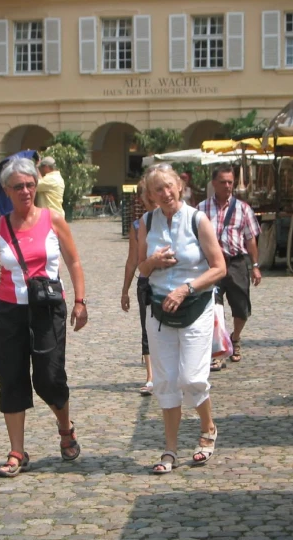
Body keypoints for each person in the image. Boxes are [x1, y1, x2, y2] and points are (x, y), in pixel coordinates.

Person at [0, 157, 88, 478]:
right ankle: (17, 451)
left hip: (47, 308)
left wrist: (80, 301)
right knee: (11, 376)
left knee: (49, 376)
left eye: (31, 185)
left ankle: (65, 428)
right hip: (9, 310)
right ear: (6, 190)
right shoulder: (0, 227)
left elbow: (74, 262)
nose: (26, 191)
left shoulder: (53, 220)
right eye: (18, 187)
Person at [137, 164, 226, 474]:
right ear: (150, 195)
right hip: (158, 310)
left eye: (169, 186)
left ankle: (208, 429)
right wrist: (152, 260)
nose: (165, 193)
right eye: (158, 189)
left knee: (191, 377)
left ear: (180, 186)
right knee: (165, 381)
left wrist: (186, 288)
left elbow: (219, 268)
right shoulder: (147, 222)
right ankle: (170, 450)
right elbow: (141, 270)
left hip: (195, 306)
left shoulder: (198, 219)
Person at [197, 165, 261, 370]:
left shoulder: (243, 208)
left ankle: (235, 337)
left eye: (230, 182)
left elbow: (250, 239)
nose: (227, 186)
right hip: (212, 265)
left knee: (241, 306)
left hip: (236, 263)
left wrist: (255, 266)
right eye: (223, 182)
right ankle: (218, 350)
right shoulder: (201, 209)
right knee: (214, 308)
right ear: (213, 183)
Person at [121, 181, 156, 396]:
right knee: (148, 328)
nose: (149, 201)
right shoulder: (137, 225)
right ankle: (151, 376)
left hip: (172, 282)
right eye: (146, 197)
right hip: (146, 282)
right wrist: (125, 290)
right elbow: (132, 260)